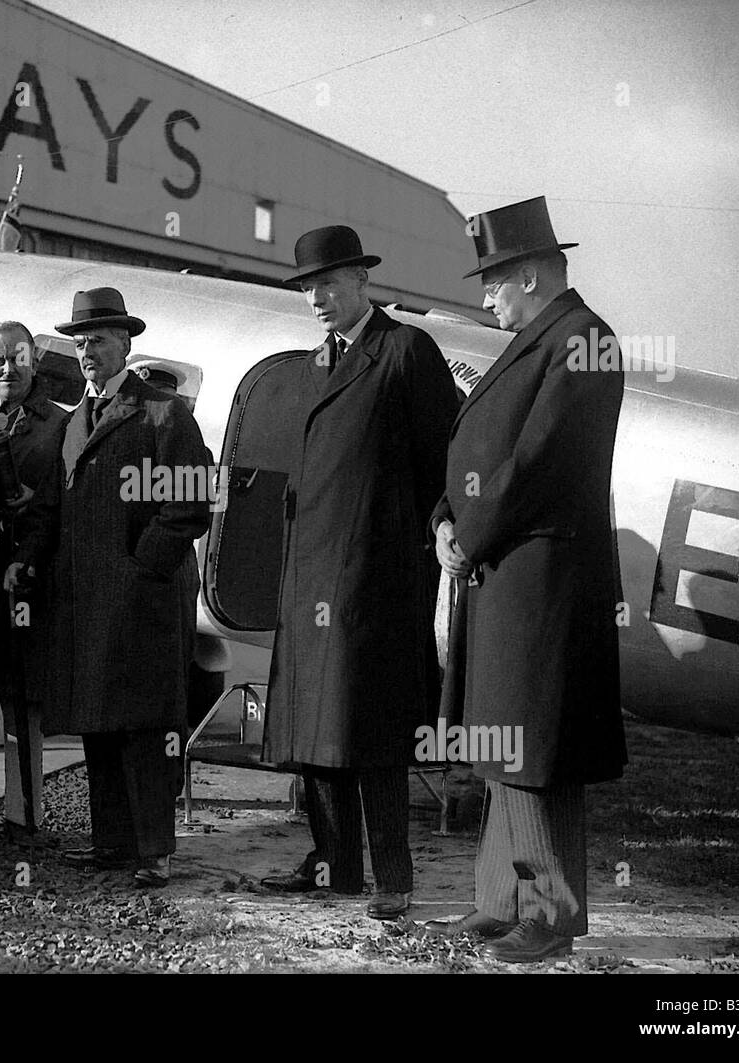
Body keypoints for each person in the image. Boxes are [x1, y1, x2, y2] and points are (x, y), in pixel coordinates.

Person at [426, 196, 626, 963]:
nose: (485, 297)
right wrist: (445, 517)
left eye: (495, 282)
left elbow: (538, 461)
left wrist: (468, 533)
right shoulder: (543, 339)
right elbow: (476, 450)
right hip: (504, 575)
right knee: (503, 744)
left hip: (541, 581)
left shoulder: (583, 341)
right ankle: (503, 899)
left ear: (534, 275)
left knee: (537, 754)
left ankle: (549, 918)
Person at [258, 226, 459, 920]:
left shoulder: (404, 350)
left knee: (374, 735)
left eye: (329, 283)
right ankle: (335, 868)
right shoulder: (317, 361)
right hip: (311, 576)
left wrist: (438, 527)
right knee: (318, 734)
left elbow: (446, 459)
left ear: (362, 281)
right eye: (308, 287)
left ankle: (393, 880)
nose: (317, 297)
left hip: (376, 580)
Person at [9, 288, 210, 886]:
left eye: (96, 340)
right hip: (84, 604)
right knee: (99, 723)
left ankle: (153, 851)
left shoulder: (163, 413)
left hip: (141, 603)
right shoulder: (73, 424)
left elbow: (189, 505)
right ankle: (113, 844)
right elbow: (50, 508)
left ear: (126, 343)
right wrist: (26, 558)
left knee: (145, 729)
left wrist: (140, 568)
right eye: (78, 342)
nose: (86, 351)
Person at [0, 321, 67, 844]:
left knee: (22, 699)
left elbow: (59, 508)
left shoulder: (60, 426)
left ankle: (22, 817)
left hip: (28, 581)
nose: (9, 368)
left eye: (19, 357)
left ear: (35, 362)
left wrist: (28, 558)